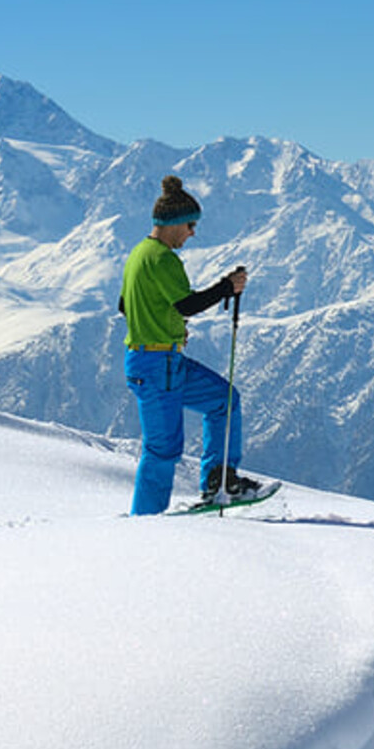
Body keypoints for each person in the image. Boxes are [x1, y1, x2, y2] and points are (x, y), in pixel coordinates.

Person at [118, 175, 262, 514]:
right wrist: (227, 287)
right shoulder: (163, 258)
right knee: (162, 449)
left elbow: (125, 305)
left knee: (225, 400)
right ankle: (144, 523)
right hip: (158, 366)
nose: (192, 233)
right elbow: (187, 305)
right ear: (173, 223)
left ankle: (220, 481)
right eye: (190, 225)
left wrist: (160, 324)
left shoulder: (138, 254)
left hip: (158, 361)